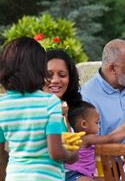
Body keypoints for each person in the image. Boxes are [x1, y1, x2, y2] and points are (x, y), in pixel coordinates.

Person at [0, 37, 78, 180]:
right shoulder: (50, 102)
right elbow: (55, 152)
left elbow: (1, 156)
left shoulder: (2, 105)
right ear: (38, 69)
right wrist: (72, 154)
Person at [64, 101, 125, 181]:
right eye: (96, 123)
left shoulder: (79, 138)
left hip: (81, 174)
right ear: (84, 124)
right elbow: (110, 139)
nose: (98, 126)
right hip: (74, 175)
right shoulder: (86, 138)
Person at [43, 49, 82, 131]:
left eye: (62, 75)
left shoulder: (79, 109)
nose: (55, 80)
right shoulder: (32, 111)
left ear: (70, 78)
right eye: (49, 75)